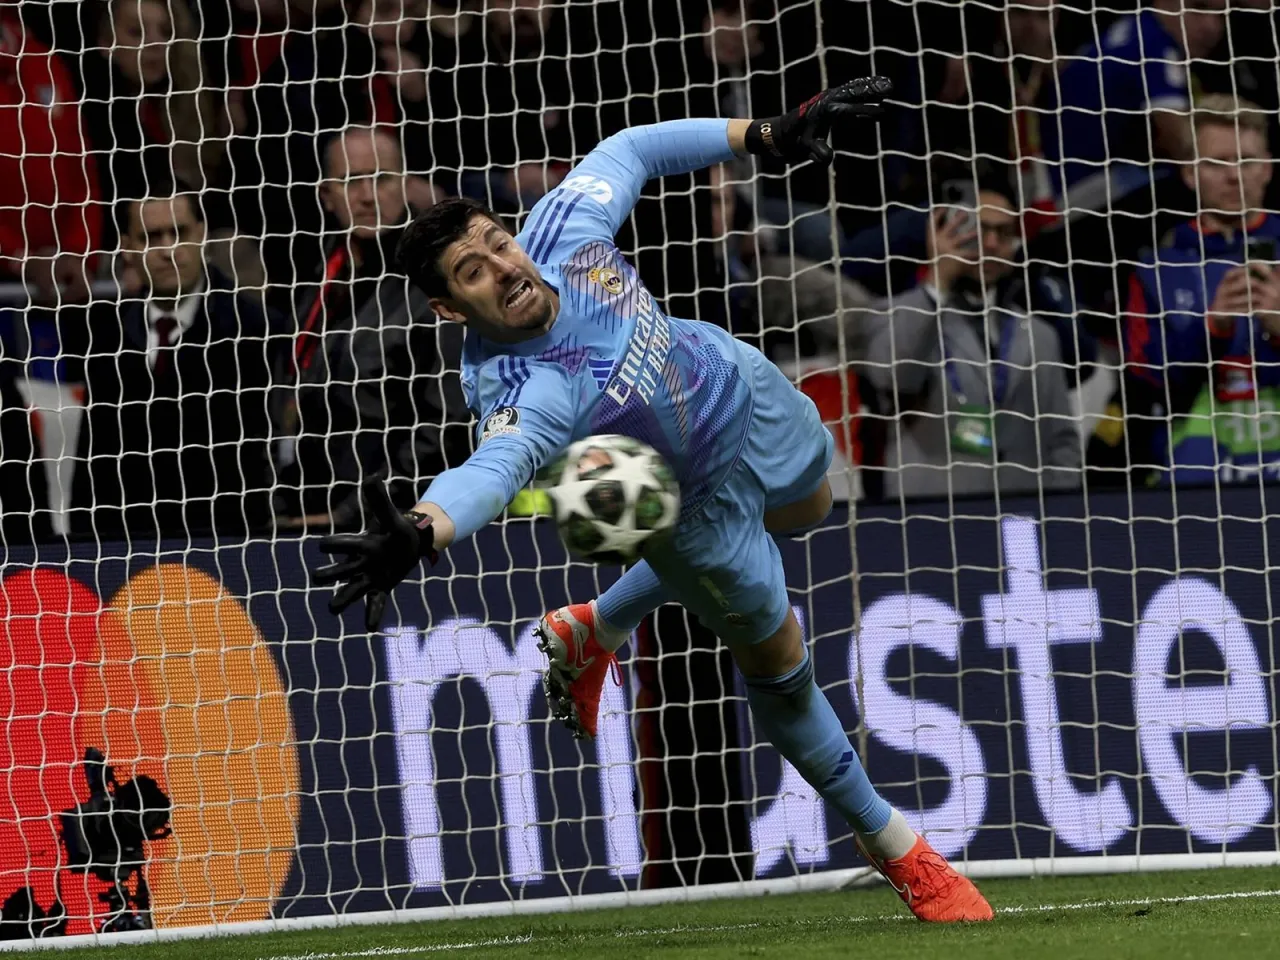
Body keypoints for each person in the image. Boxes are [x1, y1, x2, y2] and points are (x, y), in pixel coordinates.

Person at [311, 78, 993, 923]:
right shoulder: (521, 386)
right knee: (782, 669)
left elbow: (631, 146)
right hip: (690, 517)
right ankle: (899, 848)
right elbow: (495, 467)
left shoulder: (564, 229)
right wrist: (423, 529)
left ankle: (596, 626)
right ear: (452, 308)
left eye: (498, 244)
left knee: (811, 506)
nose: (506, 268)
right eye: (474, 272)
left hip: (739, 386)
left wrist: (768, 133)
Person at [271, 126, 471, 530]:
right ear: (327, 195)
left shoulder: (435, 279)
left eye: (381, 179)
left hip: (392, 522)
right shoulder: (320, 278)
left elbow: (444, 425)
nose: (367, 195)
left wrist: (354, 513)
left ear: (405, 184)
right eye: (351, 181)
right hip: (306, 512)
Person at [70, 183, 276, 539]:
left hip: (229, 548)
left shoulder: (255, 331)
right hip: (123, 550)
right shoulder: (106, 338)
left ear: (201, 234)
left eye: (179, 233)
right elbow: (92, 467)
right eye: (151, 237)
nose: (168, 250)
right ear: (128, 248)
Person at [864, 174, 1082, 501]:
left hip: (1020, 518)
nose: (992, 244)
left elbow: (1062, 440)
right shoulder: (895, 314)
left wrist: (1058, 510)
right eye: (979, 230)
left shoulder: (1040, 334)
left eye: (1003, 233)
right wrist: (939, 278)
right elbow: (894, 377)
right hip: (936, 516)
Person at [1123, 95, 1280, 485]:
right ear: (1190, 173)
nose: (1234, 176)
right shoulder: (1156, 269)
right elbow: (1145, 388)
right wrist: (1211, 329)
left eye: (1246, 161)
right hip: (1196, 480)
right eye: (1217, 163)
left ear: (1267, 169)